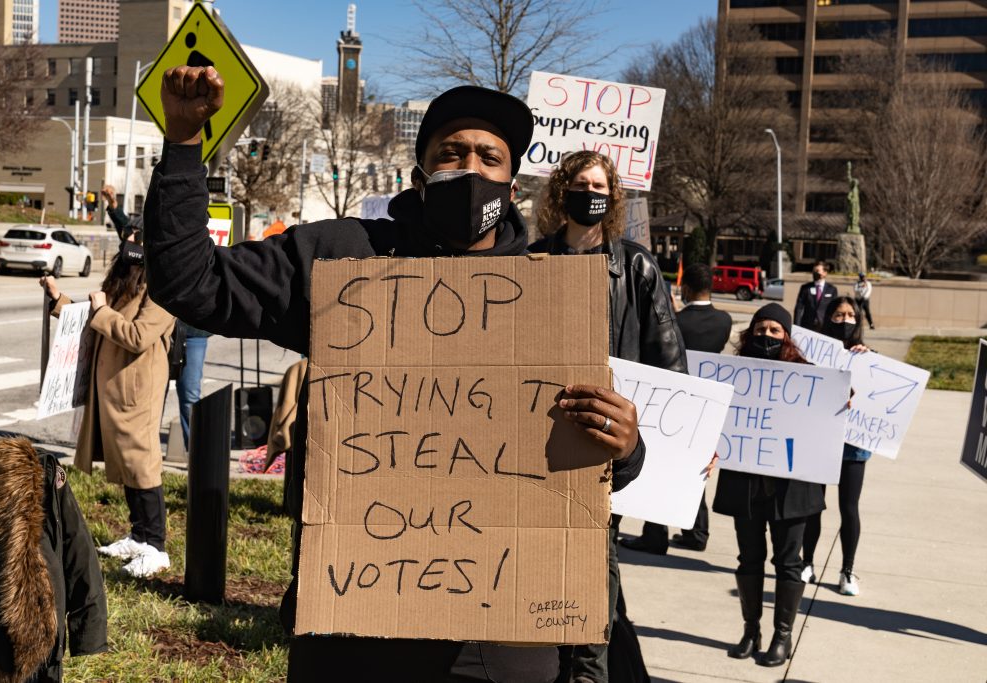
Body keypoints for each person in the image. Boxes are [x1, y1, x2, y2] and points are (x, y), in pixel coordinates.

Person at [143, 65, 645, 683]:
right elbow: (190, 282)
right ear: (418, 177)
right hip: (358, 627)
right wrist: (184, 144)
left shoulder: (555, 297)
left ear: (512, 187)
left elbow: (587, 463)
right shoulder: (341, 259)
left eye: (491, 157)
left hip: (502, 643)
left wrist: (625, 446)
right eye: (451, 153)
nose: (470, 168)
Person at [530, 150, 687, 683]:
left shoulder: (637, 267)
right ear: (562, 191)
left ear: (613, 196)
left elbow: (671, 368)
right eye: (581, 182)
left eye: (600, 184)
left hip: (604, 451)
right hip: (537, 442)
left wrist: (687, 447)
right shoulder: (532, 260)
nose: (590, 191)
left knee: (594, 578)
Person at [40, 229, 175, 579]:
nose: (127, 246)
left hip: (137, 390)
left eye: (135, 240)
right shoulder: (124, 284)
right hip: (114, 389)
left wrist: (101, 310)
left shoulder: (163, 288)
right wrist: (59, 300)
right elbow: (94, 320)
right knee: (125, 462)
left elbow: (138, 336)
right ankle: (139, 535)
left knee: (141, 464)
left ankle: (156, 547)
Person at [715, 303, 825, 668]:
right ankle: (751, 631)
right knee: (749, 558)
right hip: (746, 486)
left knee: (788, 562)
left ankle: (782, 635)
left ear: (787, 337)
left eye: (775, 331)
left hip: (791, 492)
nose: (766, 336)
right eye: (761, 329)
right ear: (750, 334)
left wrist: (846, 398)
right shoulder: (733, 375)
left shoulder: (808, 377)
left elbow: (830, 410)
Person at [0, 436, 108, 682]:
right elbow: (80, 555)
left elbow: (78, 552)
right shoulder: (50, 489)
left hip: (1, 641)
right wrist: (88, 633)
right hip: (30, 639)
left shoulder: (49, 489)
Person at [621, 262, 733, 555]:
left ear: (685, 288)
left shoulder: (678, 322)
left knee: (661, 465)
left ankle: (655, 533)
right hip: (709, 401)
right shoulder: (724, 321)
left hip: (673, 400)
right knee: (697, 467)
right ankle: (697, 531)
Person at [800, 296, 871, 596]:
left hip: (853, 446)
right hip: (821, 440)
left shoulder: (869, 357)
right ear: (827, 318)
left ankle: (847, 570)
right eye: (838, 315)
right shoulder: (814, 355)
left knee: (849, 507)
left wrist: (866, 361)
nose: (845, 320)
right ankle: (807, 563)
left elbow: (875, 397)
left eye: (850, 315)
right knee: (813, 506)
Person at [794, 261, 837, 331]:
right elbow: (799, 308)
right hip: (807, 325)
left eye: (817, 271)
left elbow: (834, 309)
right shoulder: (805, 288)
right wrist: (796, 326)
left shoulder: (832, 290)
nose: (815, 273)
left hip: (824, 326)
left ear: (825, 273)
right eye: (814, 271)